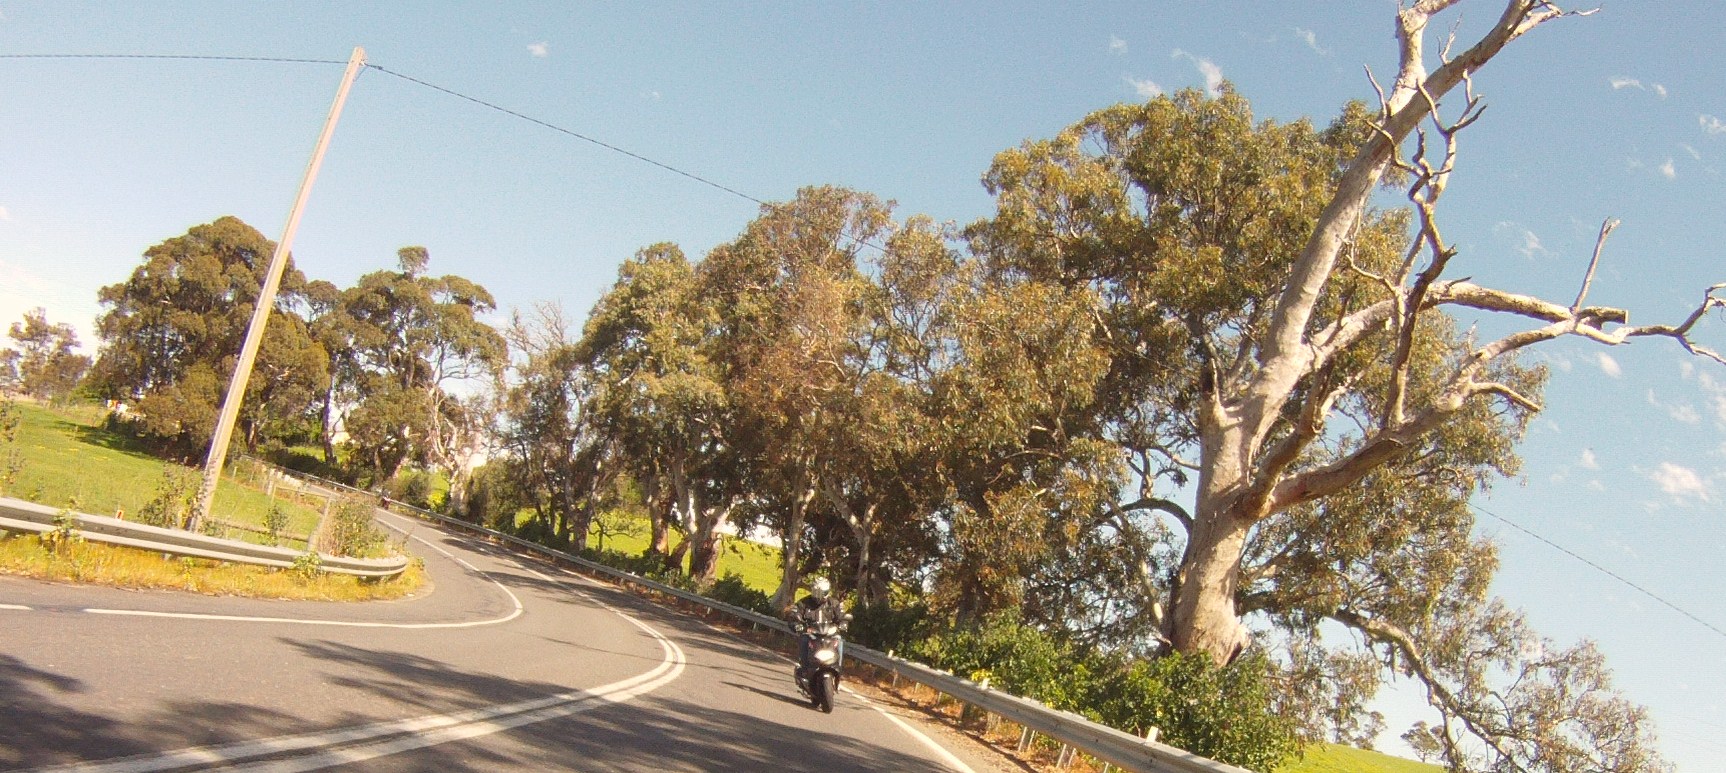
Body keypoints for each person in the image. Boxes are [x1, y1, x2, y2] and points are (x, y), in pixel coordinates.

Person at [788, 576, 845, 692]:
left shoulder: (834, 603)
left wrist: (843, 624)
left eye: (823, 593)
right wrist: (798, 625)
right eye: (818, 593)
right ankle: (805, 669)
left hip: (829, 634)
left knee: (839, 640)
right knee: (804, 639)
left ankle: (838, 669)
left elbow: (842, 616)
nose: (821, 596)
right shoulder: (803, 603)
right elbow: (793, 616)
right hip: (811, 634)